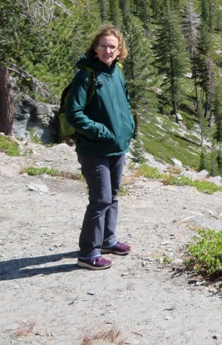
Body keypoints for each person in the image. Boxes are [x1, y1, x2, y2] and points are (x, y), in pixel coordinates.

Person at [65, 25, 136, 270]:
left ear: (119, 51)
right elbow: (73, 113)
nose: (107, 50)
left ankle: (107, 239)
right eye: (103, 46)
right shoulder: (86, 75)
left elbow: (123, 102)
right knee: (100, 199)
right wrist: (101, 131)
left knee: (112, 196)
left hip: (117, 147)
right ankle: (88, 252)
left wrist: (128, 127)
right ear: (95, 48)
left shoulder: (116, 70)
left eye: (112, 47)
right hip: (94, 149)